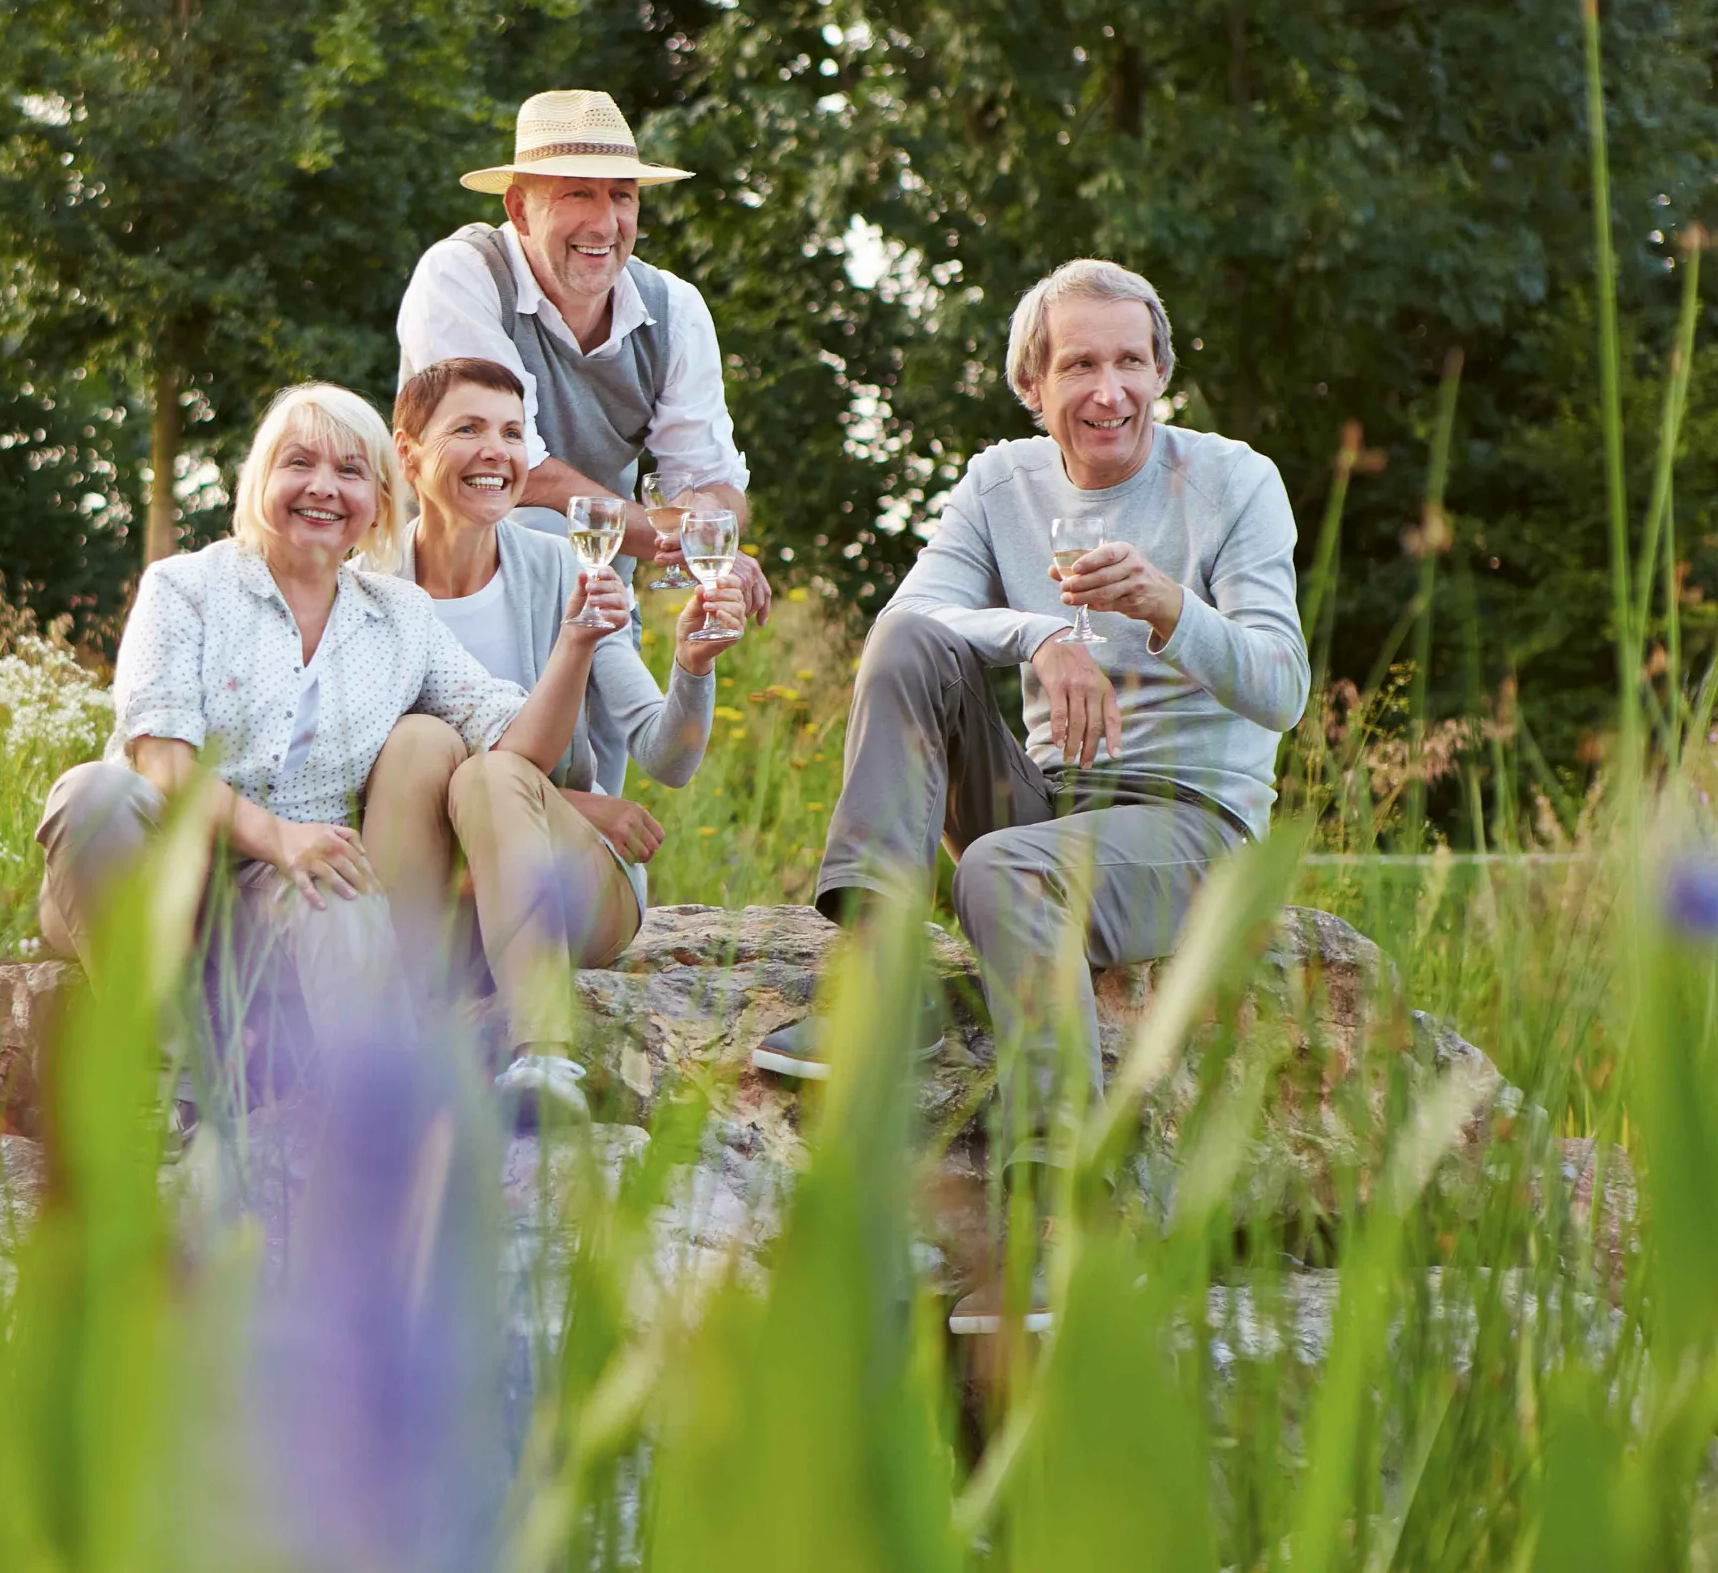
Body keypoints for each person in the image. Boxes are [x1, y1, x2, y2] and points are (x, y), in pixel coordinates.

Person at [754, 259, 1305, 1327]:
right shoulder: (1000, 483)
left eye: (1132, 362)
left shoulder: (1235, 480)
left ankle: (1060, 1213)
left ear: (1161, 372)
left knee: (1005, 870)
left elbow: (1281, 688)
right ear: (1032, 385)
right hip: (1051, 799)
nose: (1111, 390)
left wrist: (1165, 607)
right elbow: (906, 623)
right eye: (1082, 364)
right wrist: (1042, 633)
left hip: (1194, 820)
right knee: (915, 648)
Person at [34, 382, 631, 1106]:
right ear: (261, 479)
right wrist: (279, 838)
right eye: (299, 463)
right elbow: (161, 760)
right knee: (95, 793)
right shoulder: (186, 588)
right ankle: (170, 1080)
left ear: (380, 501)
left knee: (346, 897)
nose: (323, 487)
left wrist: (576, 643)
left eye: (350, 471)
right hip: (152, 873)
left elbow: (515, 746)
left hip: (283, 902)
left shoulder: (400, 617)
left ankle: (375, 1127)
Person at [388, 356, 745, 1117]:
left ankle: (543, 1060)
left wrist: (691, 667)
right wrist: (583, 803)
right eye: (470, 429)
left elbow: (667, 759)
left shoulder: (563, 567)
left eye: (515, 433)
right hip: (438, 897)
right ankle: (403, 1046)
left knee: (486, 778)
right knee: (422, 743)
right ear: (407, 454)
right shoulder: (367, 588)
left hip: (572, 892)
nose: (498, 451)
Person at [395, 88, 773, 793]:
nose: (605, 222)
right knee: (468, 787)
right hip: (457, 599)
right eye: (577, 194)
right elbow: (517, 475)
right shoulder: (463, 275)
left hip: (597, 599)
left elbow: (719, 486)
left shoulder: (673, 308)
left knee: (597, 800)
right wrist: (677, 539)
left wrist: (707, 536)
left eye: (623, 197)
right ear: (517, 207)